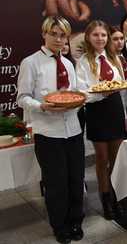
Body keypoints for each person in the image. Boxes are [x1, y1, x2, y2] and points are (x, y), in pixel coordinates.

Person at [17, 16, 85, 243]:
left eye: (62, 35)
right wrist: (42, 106)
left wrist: (80, 99)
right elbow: (22, 98)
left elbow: (74, 92)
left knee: (76, 178)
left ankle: (76, 220)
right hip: (48, 132)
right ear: (44, 34)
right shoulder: (31, 62)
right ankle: (60, 225)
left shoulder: (67, 63)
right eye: (53, 34)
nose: (58, 39)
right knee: (56, 183)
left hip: (73, 129)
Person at [77, 20, 125, 220]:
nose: (100, 38)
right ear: (88, 37)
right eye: (96, 35)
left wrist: (125, 114)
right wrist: (102, 94)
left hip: (114, 108)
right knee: (102, 159)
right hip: (97, 110)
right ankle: (105, 201)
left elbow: (121, 85)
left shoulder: (114, 58)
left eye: (103, 35)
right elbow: (82, 93)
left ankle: (115, 198)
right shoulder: (83, 61)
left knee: (116, 159)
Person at [109, 26, 127, 136]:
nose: (119, 42)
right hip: (116, 105)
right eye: (115, 39)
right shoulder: (108, 60)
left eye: (121, 38)